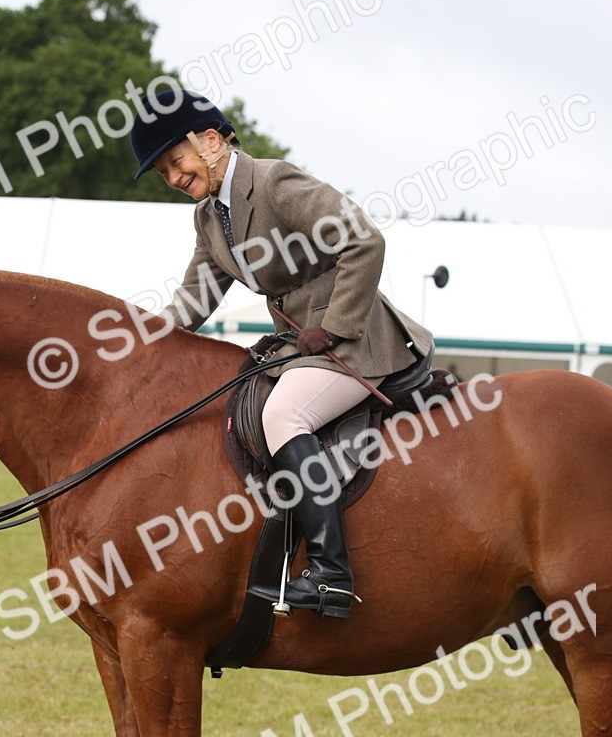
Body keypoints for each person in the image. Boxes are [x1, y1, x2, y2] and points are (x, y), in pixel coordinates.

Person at [129, 90, 434, 619]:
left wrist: (333, 328)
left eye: (176, 163)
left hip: (357, 340)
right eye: (164, 174)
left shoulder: (274, 182)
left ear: (209, 140)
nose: (175, 179)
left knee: (284, 414)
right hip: (299, 344)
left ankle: (331, 576)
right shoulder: (208, 219)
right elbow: (196, 297)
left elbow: (365, 240)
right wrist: (138, 339)